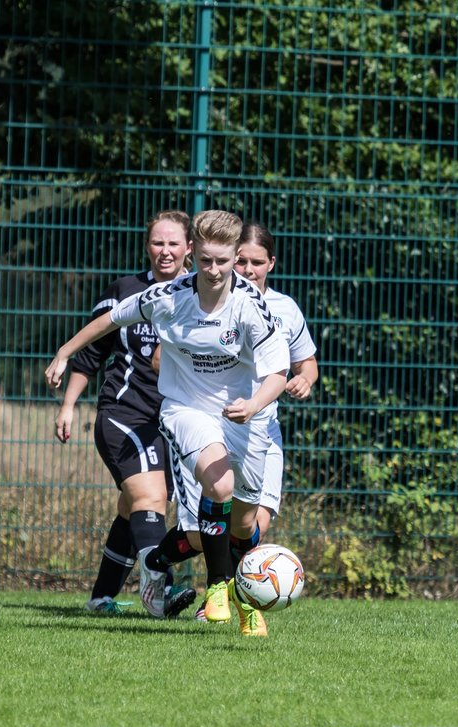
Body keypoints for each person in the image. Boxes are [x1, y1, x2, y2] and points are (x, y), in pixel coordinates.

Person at [47, 209, 289, 636]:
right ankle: (218, 587)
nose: (214, 271)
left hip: (243, 414)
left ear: (236, 257)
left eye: (223, 261)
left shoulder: (252, 306)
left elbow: (278, 374)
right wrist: (65, 351)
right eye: (207, 261)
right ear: (194, 255)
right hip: (186, 410)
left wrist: (252, 405)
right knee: (219, 485)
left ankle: (240, 600)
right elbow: (110, 319)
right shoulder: (169, 296)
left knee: (246, 523)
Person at [170, 222, 319, 619]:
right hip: (215, 425)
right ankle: (168, 567)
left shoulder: (285, 309)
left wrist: (304, 378)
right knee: (197, 534)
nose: (249, 269)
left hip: (263, 429)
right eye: (244, 261)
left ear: (271, 263)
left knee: (252, 527)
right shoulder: (209, 300)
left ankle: (230, 598)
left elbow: (307, 363)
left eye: (257, 262)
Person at [54, 210, 196, 617]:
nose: (165, 251)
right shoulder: (127, 290)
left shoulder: (198, 296)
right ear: (146, 246)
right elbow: (93, 353)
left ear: (189, 248)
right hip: (124, 412)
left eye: (173, 243)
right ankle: (160, 589)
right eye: (157, 242)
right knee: (150, 497)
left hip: (171, 420)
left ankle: (101, 598)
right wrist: (68, 405)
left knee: (134, 506)